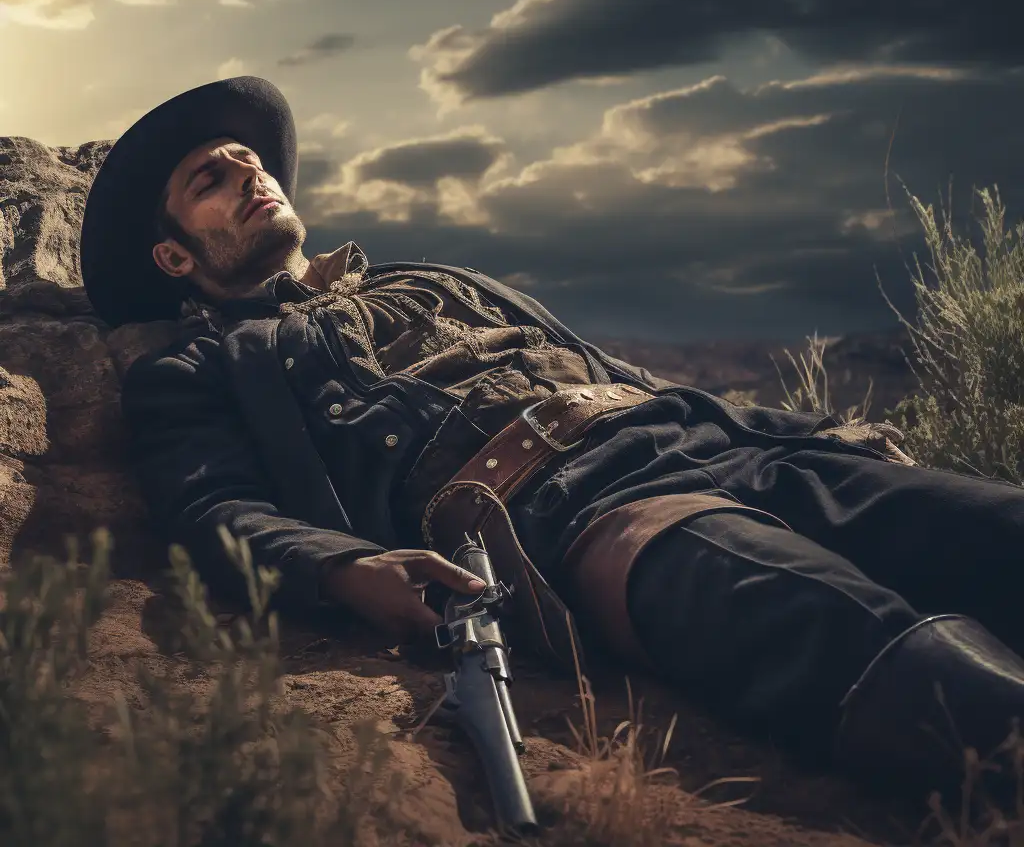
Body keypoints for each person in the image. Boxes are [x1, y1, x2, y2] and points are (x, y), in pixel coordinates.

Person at [81, 76, 1024, 811]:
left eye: (250, 160)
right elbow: (213, 509)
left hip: (717, 444)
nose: (249, 175)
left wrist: (824, 438)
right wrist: (346, 567)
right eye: (212, 179)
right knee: (876, 652)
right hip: (587, 510)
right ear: (175, 258)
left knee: (989, 531)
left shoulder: (432, 276)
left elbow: (630, 375)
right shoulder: (202, 371)